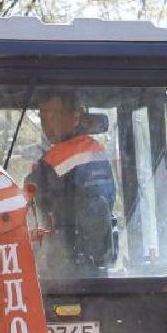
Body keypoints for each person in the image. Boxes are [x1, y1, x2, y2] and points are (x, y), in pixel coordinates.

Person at [25, 90, 118, 278]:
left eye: (54, 117)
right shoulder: (99, 152)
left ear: (75, 118)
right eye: (43, 118)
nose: (47, 126)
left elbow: (26, 199)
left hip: (66, 270)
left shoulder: (54, 160)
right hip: (99, 265)